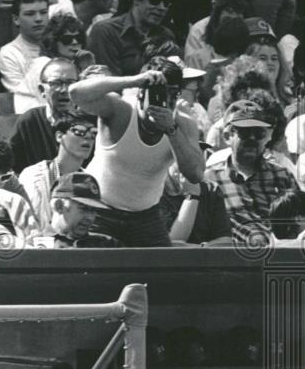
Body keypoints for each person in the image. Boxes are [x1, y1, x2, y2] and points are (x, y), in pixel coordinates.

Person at [69, 56, 204, 247]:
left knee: (159, 274)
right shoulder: (121, 109)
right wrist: (134, 80)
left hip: (146, 217)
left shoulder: (182, 122)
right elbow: (75, 93)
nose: (165, 101)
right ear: (141, 93)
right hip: (100, 210)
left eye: (172, 94)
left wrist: (171, 130)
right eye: (159, 93)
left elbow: (195, 174)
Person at [205, 99, 297, 242]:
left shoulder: (282, 176)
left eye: (259, 133)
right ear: (228, 137)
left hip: (278, 255)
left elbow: (299, 220)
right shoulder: (211, 179)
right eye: (245, 133)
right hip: (233, 258)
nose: (253, 138)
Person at [17, 112, 96, 230]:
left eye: (94, 133)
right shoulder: (32, 175)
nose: (88, 137)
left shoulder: (90, 181)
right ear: (59, 136)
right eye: (80, 131)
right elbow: (28, 225)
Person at [87, 0, 175, 77]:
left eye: (166, 3)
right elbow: (106, 81)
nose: (162, 8)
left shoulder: (166, 35)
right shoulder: (106, 31)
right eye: (154, 0)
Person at [8, 56, 79, 173]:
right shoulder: (29, 121)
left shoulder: (90, 121)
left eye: (70, 83)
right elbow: (11, 166)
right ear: (42, 90)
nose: (64, 90)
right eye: (56, 83)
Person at [27, 171, 124, 248]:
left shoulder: (108, 245)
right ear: (59, 206)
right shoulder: (35, 245)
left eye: (93, 210)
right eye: (83, 208)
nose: (90, 217)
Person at [0, 0, 49, 112]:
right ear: (16, 19)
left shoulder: (60, 45)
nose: (38, 19)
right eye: (30, 14)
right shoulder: (9, 54)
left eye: (43, 12)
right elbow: (23, 98)